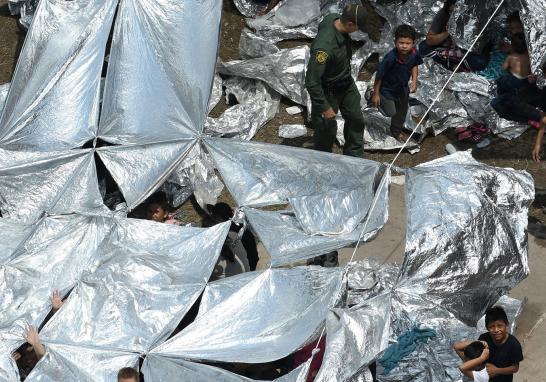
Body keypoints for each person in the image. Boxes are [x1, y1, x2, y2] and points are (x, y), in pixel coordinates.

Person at [305, 4, 369, 157]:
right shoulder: (324, 49)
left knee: (356, 119)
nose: (358, 31)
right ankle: (324, 159)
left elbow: (327, 21)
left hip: (345, 83)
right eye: (358, 28)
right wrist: (324, 107)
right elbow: (312, 81)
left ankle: (355, 156)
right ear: (350, 24)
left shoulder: (331, 18)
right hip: (329, 91)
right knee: (326, 130)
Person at [370, 24, 422, 140]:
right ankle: (370, 95)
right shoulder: (390, 58)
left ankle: (396, 131)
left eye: (407, 43)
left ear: (413, 43)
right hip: (387, 89)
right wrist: (376, 93)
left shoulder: (414, 53)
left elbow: (414, 65)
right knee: (390, 112)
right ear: (395, 42)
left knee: (401, 112)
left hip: (402, 88)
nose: (404, 46)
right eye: (401, 43)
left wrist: (414, 80)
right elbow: (379, 76)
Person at [419, 0, 490, 72]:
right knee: (423, 47)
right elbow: (430, 40)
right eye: (455, 8)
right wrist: (449, 32)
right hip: (446, 49)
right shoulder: (444, 14)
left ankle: (453, 65)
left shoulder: (476, 16)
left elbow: (481, 47)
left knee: (480, 62)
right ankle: (452, 66)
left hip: (467, 52)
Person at [208, 202, 260, 271]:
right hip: (247, 268)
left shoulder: (213, 234)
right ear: (232, 213)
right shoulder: (243, 230)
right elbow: (254, 257)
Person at [478, 306, 523, 382]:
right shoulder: (483, 338)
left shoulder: (514, 345)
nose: (496, 330)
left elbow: (515, 368)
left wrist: (497, 371)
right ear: (486, 327)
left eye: (500, 326)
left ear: (506, 324)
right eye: (492, 326)